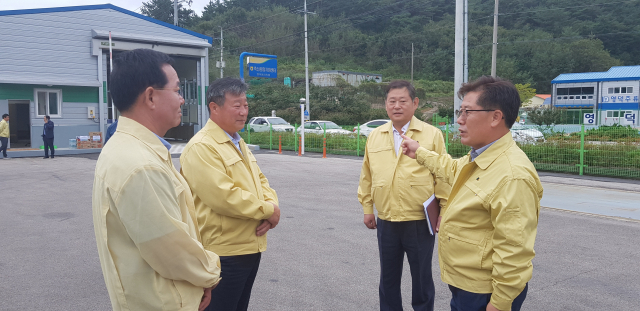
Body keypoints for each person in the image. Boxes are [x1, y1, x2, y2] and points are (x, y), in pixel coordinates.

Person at [92, 49, 221, 311]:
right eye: (176, 91)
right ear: (150, 96)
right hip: (165, 301)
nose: (182, 100)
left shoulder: (130, 149)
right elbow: (170, 249)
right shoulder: (141, 165)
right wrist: (210, 274)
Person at [401, 76, 543, 311]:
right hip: (466, 284)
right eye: (460, 111)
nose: (459, 120)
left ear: (496, 117)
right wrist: (420, 153)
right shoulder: (481, 157)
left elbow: (514, 251)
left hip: (484, 293)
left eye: (468, 112)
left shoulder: (512, 175)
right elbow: (453, 169)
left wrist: (499, 304)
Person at [180, 77, 280, 311]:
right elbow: (224, 197)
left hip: (248, 246)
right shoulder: (202, 147)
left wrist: (271, 203)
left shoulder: (236, 141)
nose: (244, 111)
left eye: (245, 105)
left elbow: (261, 180)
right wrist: (268, 210)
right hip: (223, 253)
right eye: (237, 105)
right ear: (214, 107)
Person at [357, 80, 451, 311]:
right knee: (387, 278)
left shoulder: (432, 135)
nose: (397, 106)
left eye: (403, 101)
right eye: (392, 101)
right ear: (385, 105)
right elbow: (367, 175)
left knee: (421, 278)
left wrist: (444, 211)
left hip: (419, 220)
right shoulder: (375, 136)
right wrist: (368, 208)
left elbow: (442, 176)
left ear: (415, 103)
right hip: (387, 219)